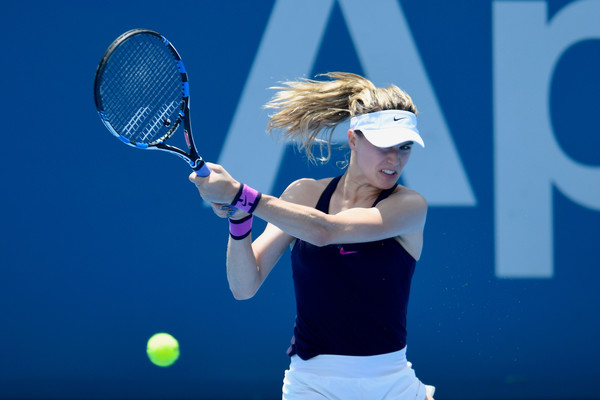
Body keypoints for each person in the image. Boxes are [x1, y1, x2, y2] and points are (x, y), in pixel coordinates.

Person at [189, 72, 434, 400]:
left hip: (391, 383)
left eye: (404, 147)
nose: (394, 160)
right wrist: (240, 218)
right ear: (353, 140)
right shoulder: (303, 195)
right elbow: (244, 286)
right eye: (383, 146)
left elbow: (325, 231)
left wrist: (241, 194)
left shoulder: (409, 206)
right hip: (311, 385)